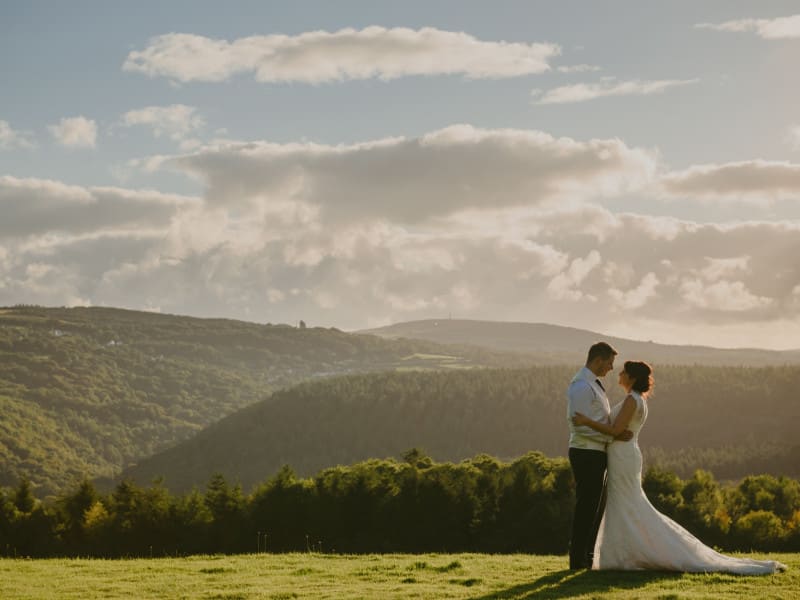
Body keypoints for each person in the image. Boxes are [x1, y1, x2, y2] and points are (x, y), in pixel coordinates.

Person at [572, 360, 787, 574]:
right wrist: (618, 433)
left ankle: (634, 553)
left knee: (628, 503)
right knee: (625, 504)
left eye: (623, 372)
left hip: (623, 457)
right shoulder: (638, 400)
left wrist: (586, 422)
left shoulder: (631, 400)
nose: (619, 374)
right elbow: (620, 431)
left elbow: (616, 429)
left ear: (632, 378)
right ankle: (623, 553)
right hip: (625, 454)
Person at [566, 341, 632, 570]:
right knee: (587, 506)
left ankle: (586, 556)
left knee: (594, 506)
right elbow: (579, 426)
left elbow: (593, 421)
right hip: (586, 453)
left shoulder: (592, 384)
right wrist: (612, 436)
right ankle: (577, 560)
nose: (611, 369)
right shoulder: (581, 387)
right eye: (609, 363)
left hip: (595, 453)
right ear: (597, 360)